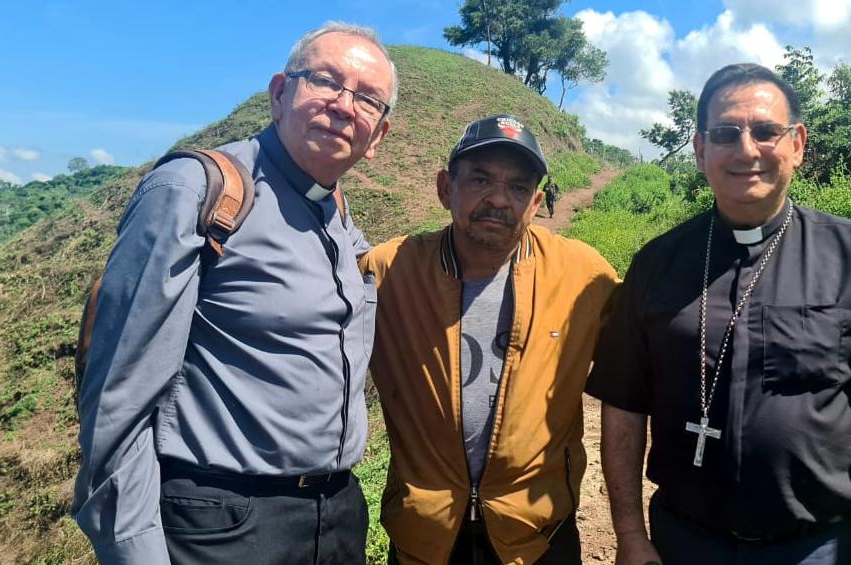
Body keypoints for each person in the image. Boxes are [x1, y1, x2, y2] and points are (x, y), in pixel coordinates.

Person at [588, 63, 851, 565]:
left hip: (819, 548)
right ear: (699, 150)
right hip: (683, 542)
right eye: (725, 134)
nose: (746, 150)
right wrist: (629, 534)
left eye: (765, 131)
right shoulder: (656, 263)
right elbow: (624, 407)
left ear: (797, 144)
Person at [72, 21, 397, 565]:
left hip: (334, 516)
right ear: (278, 93)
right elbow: (116, 398)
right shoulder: (198, 192)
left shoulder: (338, 217)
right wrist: (134, 551)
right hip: (223, 524)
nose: (344, 105)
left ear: (379, 136)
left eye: (367, 99)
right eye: (325, 81)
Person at [361, 114, 618, 565]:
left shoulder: (583, 275)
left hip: (538, 535)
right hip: (425, 535)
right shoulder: (388, 272)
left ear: (536, 202)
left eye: (518, 188)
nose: (499, 199)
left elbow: (645, 359)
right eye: (480, 179)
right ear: (445, 187)